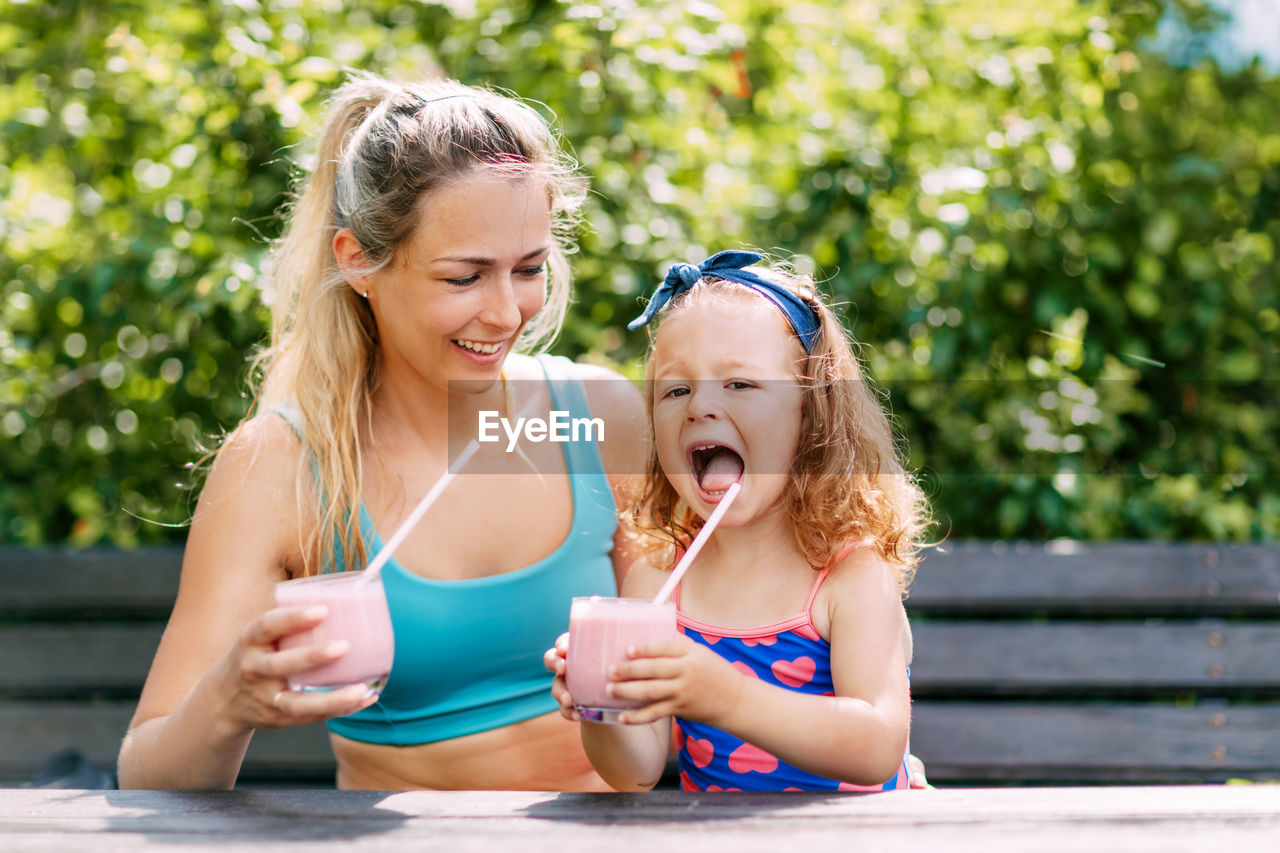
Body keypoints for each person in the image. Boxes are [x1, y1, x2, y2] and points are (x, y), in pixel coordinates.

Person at [116, 71, 647, 790]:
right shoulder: (280, 467)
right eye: (464, 278)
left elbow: (664, 723)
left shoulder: (602, 416)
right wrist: (226, 701)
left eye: (528, 269)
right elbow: (146, 769)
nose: (505, 313)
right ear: (358, 260)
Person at [546, 251, 930, 792]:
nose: (700, 405)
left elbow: (876, 747)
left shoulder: (850, 578)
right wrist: (599, 705)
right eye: (676, 390)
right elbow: (635, 772)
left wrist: (722, 696)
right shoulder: (656, 586)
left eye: (740, 385)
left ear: (811, 414)